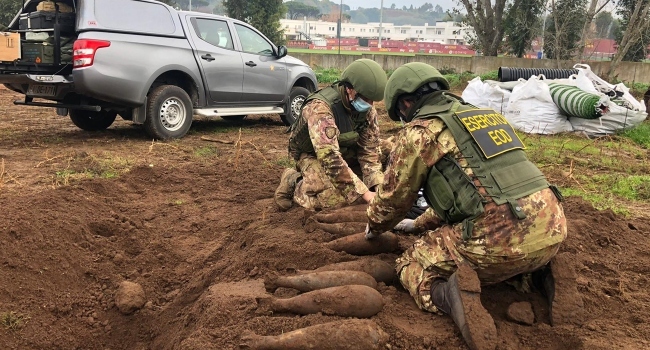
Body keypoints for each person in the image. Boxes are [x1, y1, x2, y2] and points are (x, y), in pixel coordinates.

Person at [365, 62, 569, 350]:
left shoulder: (420, 132)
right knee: (505, 238)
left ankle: (448, 297)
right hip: (553, 226)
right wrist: (419, 223)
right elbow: (476, 191)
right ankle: (540, 274)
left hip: (496, 239)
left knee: (410, 263)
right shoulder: (487, 117)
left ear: (406, 102)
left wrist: (374, 225)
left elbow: (392, 200)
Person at [274, 59, 388, 211]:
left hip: (344, 148)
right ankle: (295, 181)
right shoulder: (320, 109)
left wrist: (377, 185)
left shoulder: (367, 111)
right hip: (312, 154)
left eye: (372, 100)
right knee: (333, 201)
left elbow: (370, 150)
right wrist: (365, 194)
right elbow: (329, 158)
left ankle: (355, 179)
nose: (370, 105)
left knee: (392, 149)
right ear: (349, 89)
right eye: (365, 99)